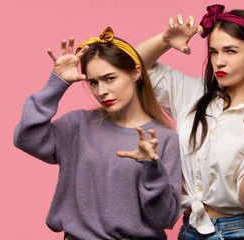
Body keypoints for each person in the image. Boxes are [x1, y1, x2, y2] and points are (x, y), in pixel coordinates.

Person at [136, 4, 244, 240]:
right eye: (214, 52)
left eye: (230, 51)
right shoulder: (193, 94)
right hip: (190, 230)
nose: (219, 62)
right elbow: (130, 68)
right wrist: (165, 40)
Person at [13, 27, 181, 240]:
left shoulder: (164, 139)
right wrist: (56, 84)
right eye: (93, 82)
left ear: (136, 73)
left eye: (110, 78)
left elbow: (164, 220)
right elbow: (26, 138)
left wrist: (152, 169)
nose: (101, 91)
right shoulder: (78, 125)